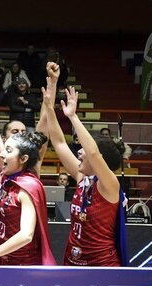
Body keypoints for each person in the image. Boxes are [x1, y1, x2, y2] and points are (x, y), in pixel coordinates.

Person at [47, 84, 127, 266]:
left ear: (101, 160)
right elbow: (59, 142)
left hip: (101, 266)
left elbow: (92, 152)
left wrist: (73, 116)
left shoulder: (109, 185)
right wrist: (49, 108)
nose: (79, 152)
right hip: (72, 262)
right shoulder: (83, 178)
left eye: (82, 148)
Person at [0, 131, 55, 281]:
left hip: (24, 269)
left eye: (8, 150)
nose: (2, 154)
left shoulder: (28, 186)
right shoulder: (6, 180)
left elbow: (26, 235)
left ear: (23, 159)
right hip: (2, 262)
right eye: (4, 148)